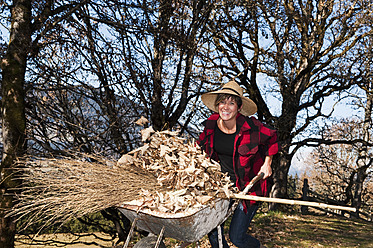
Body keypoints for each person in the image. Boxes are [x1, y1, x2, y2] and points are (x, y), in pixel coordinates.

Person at [197, 81, 279, 248]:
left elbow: (272, 138)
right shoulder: (211, 125)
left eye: (231, 103)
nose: (226, 107)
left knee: (237, 238)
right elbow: (199, 146)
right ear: (217, 105)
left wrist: (267, 163)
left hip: (248, 186)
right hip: (221, 186)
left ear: (239, 108)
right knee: (214, 234)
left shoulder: (251, 127)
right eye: (222, 102)